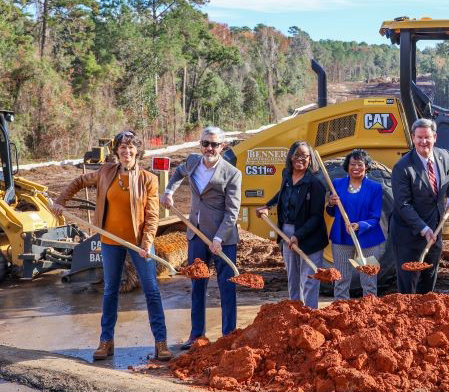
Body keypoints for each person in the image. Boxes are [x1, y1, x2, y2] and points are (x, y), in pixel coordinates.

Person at [53, 131, 171, 361]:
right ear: (116, 151)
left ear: (137, 150)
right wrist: (60, 202)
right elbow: (79, 181)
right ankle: (106, 342)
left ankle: (161, 343)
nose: (126, 151)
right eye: (122, 148)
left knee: (152, 291)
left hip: (139, 244)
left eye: (130, 147)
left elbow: (153, 215)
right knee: (110, 291)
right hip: (110, 242)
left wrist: (146, 242)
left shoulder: (149, 179)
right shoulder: (106, 172)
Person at [160, 126, 242, 350]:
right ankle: (197, 335)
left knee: (227, 287)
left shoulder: (232, 173)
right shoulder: (193, 161)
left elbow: (232, 212)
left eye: (214, 144)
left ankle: (228, 336)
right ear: (200, 144)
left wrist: (218, 238)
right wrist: (169, 192)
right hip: (195, 233)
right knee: (197, 285)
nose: (209, 148)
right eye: (206, 143)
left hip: (223, 239)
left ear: (222, 146)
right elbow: (177, 174)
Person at [256, 141, 328, 308]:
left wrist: (298, 236)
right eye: (296, 155)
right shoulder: (286, 175)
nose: (300, 159)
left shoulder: (315, 183)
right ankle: (295, 313)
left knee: (309, 278)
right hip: (287, 232)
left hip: (310, 235)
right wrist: (267, 205)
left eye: (304, 156)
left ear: (310, 159)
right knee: (293, 278)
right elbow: (282, 193)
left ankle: (310, 315)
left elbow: (317, 217)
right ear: (290, 157)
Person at [390, 118, 449, 294]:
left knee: (429, 279)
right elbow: (403, 204)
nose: (423, 142)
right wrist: (423, 228)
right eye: (419, 137)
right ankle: (408, 319)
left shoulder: (444, 156)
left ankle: (425, 318)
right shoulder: (403, 167)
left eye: (427, 137)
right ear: (413, 138)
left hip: (435, 229)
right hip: (408, 234)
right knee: (409, 283)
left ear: (435, 137)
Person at [326, 149, 386, 299]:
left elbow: (375, 217)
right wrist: (331, 204)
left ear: (366, 166)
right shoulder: (337, 184)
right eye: (353, 164)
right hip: (342, 236)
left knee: (369, 279)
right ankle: (341, 309)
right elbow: (332, 213)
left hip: (368, 237)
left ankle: (370, 311)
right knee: (341, 278)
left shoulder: (375, 187)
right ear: (348, 166)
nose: (356, 168)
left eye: (360, 164)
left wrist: (359, 225)